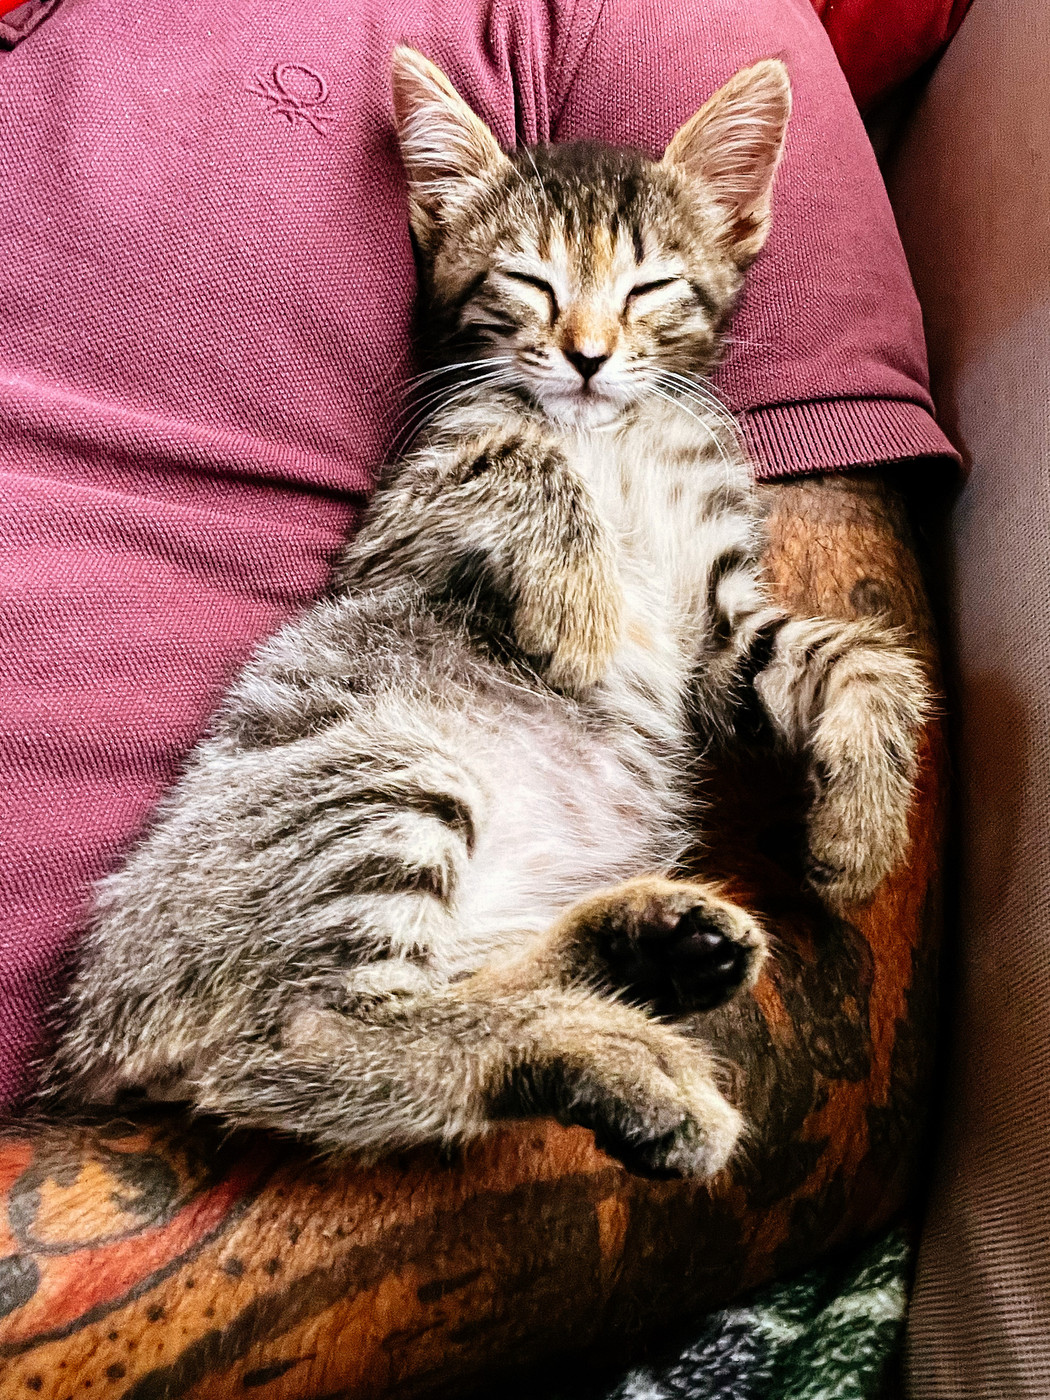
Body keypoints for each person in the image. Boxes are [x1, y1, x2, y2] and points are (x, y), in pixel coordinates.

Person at [0, 0, 956, 1109]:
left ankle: (509, 1004)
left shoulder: (696, 434)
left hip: (512, 865)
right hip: (354, 785)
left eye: (645, 295)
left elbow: (727, 651)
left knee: (430, 827)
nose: (591, 345)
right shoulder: (484, 425)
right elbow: (400, 551)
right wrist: (530, 490)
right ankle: (379, 1046)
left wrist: (864, 688)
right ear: (444, 227)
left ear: (737, 227)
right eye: (533, 290)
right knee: (396, 779)